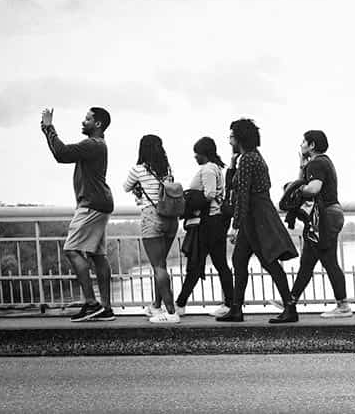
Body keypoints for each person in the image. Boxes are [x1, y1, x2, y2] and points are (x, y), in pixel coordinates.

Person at [217, 119, 298, 322]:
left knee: (269, 262)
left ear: (239, 138)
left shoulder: (247, 160)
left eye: (231, 137)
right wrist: (233, 165)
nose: (229, 141)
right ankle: (236, 308)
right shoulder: (253, 157)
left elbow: (242, 195)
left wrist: (235, 227)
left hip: (255, 218)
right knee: (240, 260)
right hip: (257, 215)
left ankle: (289, 308)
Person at [40, 107, 115, 322]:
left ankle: (92, 304)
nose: (83, 122)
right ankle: (106, 308)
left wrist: (48, 128)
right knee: (97, 255)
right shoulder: (99, 145)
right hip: (101, 203)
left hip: (91, 204)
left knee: (72, 250)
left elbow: (61, 154)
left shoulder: (92, 144)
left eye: (88, 119)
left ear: (98, 124)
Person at [274, 130, 351, 323]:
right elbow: (305, 179)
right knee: (310, 261)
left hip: (324, 218)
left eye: (303, 142)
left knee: (323, 261)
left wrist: (298, 189)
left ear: (312, 145)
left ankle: (342, 306)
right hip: (328, 216)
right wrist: (301, 167)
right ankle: (290, 301)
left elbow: (313, 188)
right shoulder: (322, 162)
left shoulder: (317, 163)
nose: (301, 145)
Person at [174, 137, 234, 318]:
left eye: (197, 153)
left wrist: (190, 198)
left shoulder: (208, 169)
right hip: (215, 223)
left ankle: (180, 304)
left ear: (204, 154)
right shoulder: (215, 168)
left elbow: (208, 194)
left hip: (208, 223)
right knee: (219, 263)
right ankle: (230, 303)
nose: (195, 156)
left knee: (197, 263)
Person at [123, 135, 180, 323]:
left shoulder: (138, 169)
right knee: (161, 264)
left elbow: (126, 187)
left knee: (159, 266)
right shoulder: (167, 170)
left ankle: (171, 313)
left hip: (152, 217)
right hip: (171, 219)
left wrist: (139, 188)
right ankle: (156, 306)